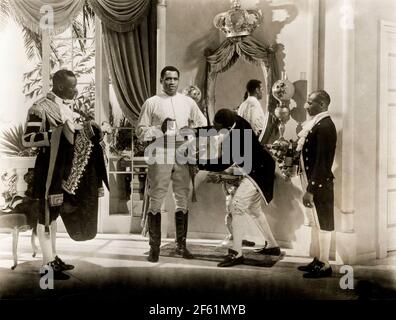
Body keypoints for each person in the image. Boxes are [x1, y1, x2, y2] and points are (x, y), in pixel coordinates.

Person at [137, 66, 207, 263]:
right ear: (161, 81)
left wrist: (191, 134)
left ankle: (181, 246)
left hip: (182, 154)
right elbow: (140, 131)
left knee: (182, 198)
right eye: (167, 79)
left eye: (175, 79)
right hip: (160, 153)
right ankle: (154, 249)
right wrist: (159, 129)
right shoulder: (152, 103)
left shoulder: (188, 102)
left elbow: (202, 123)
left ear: (179, 80)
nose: (172, 82)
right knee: (156, 199)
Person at [198, 109, 280, 267]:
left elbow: (224, 162)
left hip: (258, 171)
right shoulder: (236, 121)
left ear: (226, 125)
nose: (214, 129)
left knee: (236, 206)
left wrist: (201, 163)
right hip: (260, 167)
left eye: (217, 126)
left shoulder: (238, 134)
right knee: (255, 209)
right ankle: (272, 246)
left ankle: (237, 253)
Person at [22, 69, 78, 280]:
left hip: (61, 167)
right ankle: (46, 268)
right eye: (72, 87)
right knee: (45, 216)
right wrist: (57, 134)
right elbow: (28, 139)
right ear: (61, 86)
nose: (76, 90)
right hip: (47, 167)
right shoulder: (39, 108)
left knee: (53, 216)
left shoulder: (65, 107)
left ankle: (52, 257)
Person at [296, 90, 337, 278]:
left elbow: (322, 162)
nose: (306, 105)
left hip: (320, 183)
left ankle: (325, 264)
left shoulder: (325, 126)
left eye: (310, 102)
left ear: (322, 105)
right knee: (315, 222)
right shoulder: (317, 123)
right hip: (313, 181)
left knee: (323, 223)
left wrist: (310, 189)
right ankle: (318, 259)